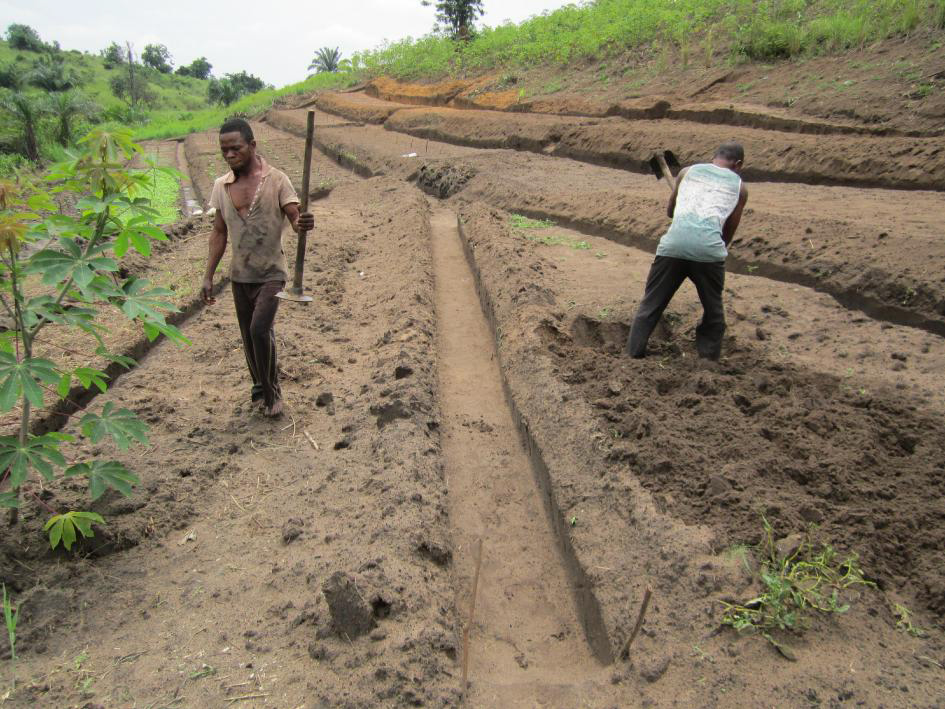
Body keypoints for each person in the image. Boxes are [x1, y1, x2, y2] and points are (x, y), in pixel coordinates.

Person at [201, 118, 314, 417]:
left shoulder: (277, 180)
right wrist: (208, 275)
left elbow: (294, 215)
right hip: (240, 275)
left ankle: (272, 392)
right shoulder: (221, 187)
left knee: (259, 330)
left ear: (252, 145)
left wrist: (302, 222)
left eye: (235, 148)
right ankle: (259, 386)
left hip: (271, 274)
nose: (229, 155)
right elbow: (219, 232)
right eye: (224, 150)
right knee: (248, 338)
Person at [625, 142, 748, 361]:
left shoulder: (686, 172)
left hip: (672, 246)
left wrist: (685, 201)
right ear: (738, 164)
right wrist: (714, 253)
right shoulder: (740, 188)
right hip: (709, 252)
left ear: (715, 157)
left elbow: (671, 211)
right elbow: (727, 231)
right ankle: (708, 362)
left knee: (651, 304)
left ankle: (633, 354)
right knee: (713, 312)